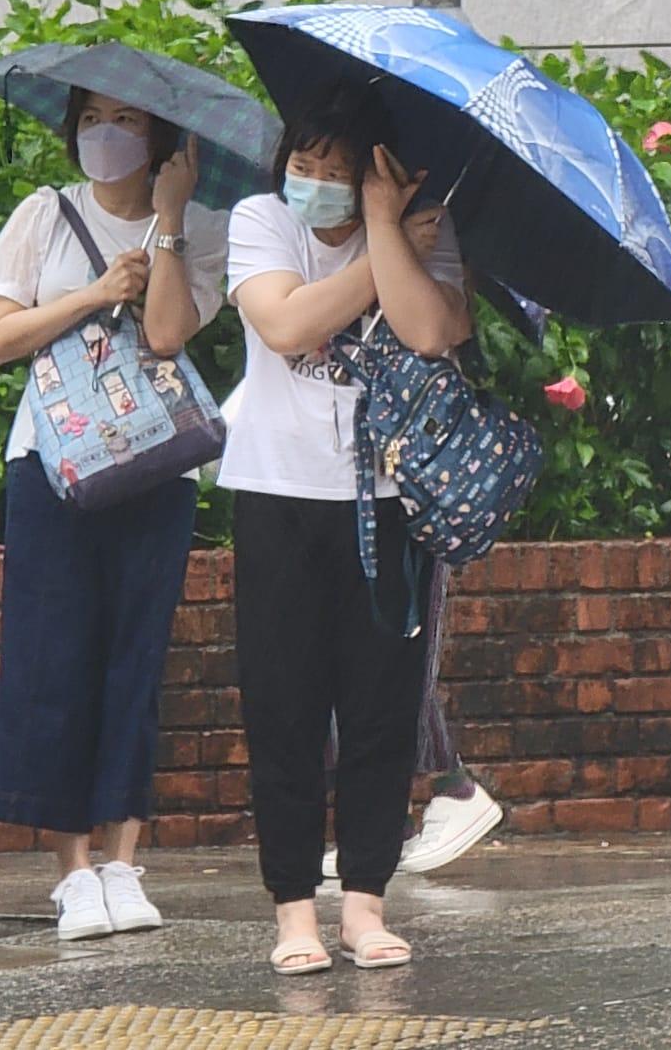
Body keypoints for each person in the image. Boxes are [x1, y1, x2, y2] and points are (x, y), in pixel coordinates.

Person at [220, 94, 471, 975]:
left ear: (381, 170)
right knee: (283, 708)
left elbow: (433, 330)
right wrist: (385, 238)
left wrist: (387, 230)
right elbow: (285, 323)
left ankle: (365, 904)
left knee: (379, 710)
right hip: (277, 495)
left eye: (343, 170)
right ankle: (294, 912)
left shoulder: (428, 233)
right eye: (308, 164)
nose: (318, 184)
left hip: (390, 502)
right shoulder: (261, 221)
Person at [0, 89, 228, 941]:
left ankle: (123, 860)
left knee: (136, 655)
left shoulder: (204, 228)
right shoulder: (44, 215)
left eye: (123, 119)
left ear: (159, 134)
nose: (104, 134)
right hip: (51, 462)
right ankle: (73, 873)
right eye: (90, 119)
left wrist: (167, 220)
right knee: (55, 656)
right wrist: (91, 295)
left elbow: (165, 334)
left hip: (155, 463)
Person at [319, 203, 505, 886]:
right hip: (329, 473)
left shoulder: (434, 229)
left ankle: (451, 786)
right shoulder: (333, 233)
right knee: (343, 654)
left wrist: (395, 244)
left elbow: (437, 329)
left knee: (396, 643)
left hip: (409, 477)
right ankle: (388, 821)